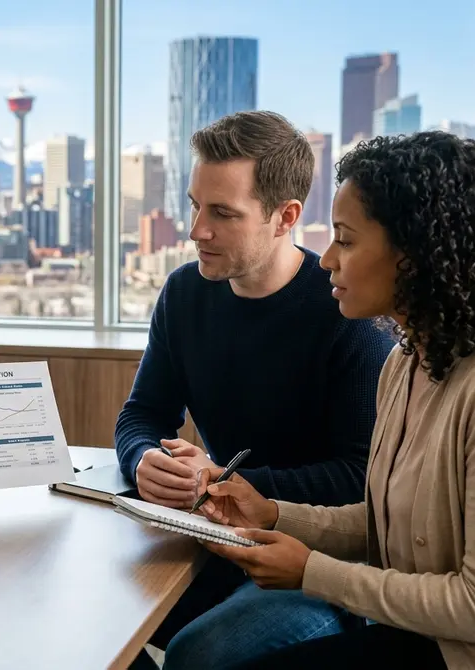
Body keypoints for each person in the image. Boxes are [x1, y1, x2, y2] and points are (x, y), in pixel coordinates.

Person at [193, 130, 475, 669]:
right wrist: (275, 513)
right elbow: (389, 525)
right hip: (438, 642)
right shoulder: (407, 362)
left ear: (418, 255)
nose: (327, 259)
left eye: (347, 240)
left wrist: (312, 571)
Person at [116, 111, 396, 668]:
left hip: (318, 554)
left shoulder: (350, 312)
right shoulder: (183, 293)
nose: (198, 230)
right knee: (91, 611)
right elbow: (142, 414)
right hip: (213, 529)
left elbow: (359, 479)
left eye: (222, 213)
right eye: (196, 206)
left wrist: (224, 482)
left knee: (204, 652)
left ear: (284, 216)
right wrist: (144, 456)